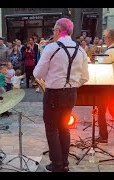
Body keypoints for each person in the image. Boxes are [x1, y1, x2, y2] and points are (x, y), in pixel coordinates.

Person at [33, 18, 89, 172]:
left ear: (58, 31)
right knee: (64, 128)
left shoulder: (51, 48)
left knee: (51, 129)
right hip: (71, 93)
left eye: (54, 31)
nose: (53, 34)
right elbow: (85, 77)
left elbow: (37, 73)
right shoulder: (81, 50)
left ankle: (57, 165)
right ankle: (64, 163)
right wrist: (71, 83)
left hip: (53, 93)